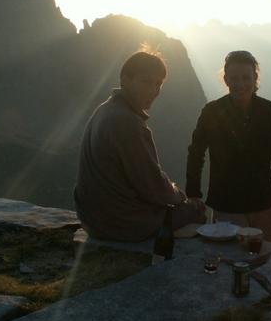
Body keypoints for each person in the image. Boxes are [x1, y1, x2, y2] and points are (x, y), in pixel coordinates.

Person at [74, 47, 205, 242]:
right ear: (125, 79)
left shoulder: (104, 109)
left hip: (91, 218)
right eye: (146, 82)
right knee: (196, 210)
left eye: (158, 84)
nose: (153, 90)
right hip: (121, 223)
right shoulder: (127, 122)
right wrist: (182, 197)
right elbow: (153, 186)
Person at [185, 50, 271, 245]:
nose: (240, 84)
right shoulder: (212, 112)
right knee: (231, 258)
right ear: (226, 79)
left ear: (255, 78)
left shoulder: (270, 110)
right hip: (227, 206)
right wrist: (193, 193)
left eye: (246, 78)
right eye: (234, 78)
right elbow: (196, 153)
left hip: (265, 205)